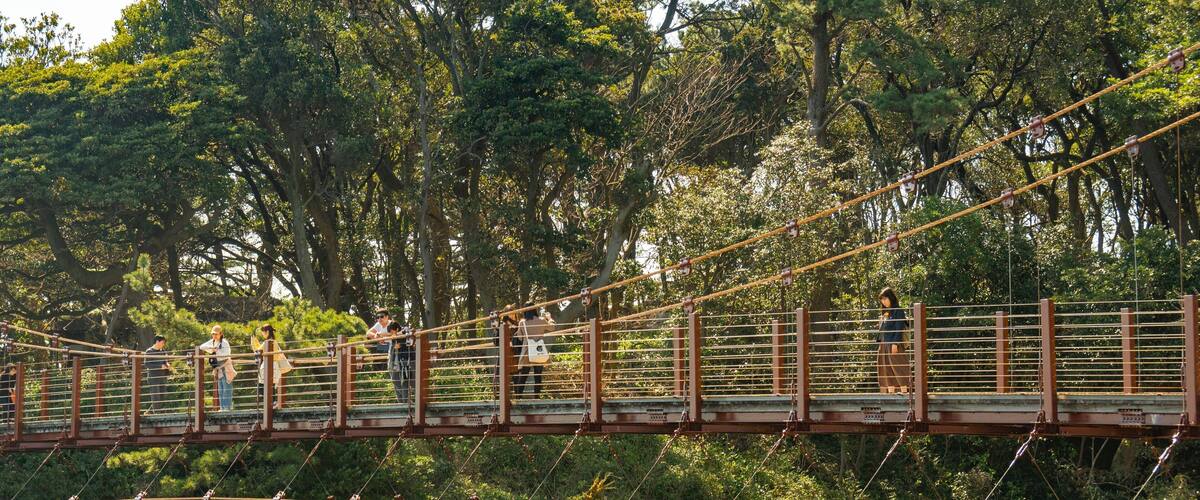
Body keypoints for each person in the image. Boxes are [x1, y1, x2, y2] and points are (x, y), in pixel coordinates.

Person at [877, 287, 911, 393]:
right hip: (884, 344)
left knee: (899, 366)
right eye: (882, 300)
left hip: (894, 343)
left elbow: (899, 328)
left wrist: (895, 343)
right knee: (885, 368)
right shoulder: (885, 312)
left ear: (891, 298)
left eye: (885, 298)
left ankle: (905, 392)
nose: (884, 302)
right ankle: (890, 393)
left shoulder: (898, 311)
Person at [252, 324, 292, 408]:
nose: (262, 334)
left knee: (262, 386)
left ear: (266, 332)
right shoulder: (273, 341)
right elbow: (261, 349)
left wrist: (253, 342)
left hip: (269, 365)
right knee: (271, 385)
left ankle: (270, 403)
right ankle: (272, 403)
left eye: (263, 332)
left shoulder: (268, 342)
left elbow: (258, 350)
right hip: (274, 366)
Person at [515, 305, 552, 397]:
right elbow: (552, 328)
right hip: (538, 351)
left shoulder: (522, 322)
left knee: (523, 376)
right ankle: (537, 397)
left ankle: (519, 397)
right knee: (538, 376)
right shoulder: (542, 320)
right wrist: (549, 319)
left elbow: (519, 337)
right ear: (535, 309)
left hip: (527, 351)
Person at [199, 325, 236, 411]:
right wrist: (212, 348)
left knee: (227, 388)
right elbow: (202, 346)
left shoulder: (224, 342)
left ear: (221, 334)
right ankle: (222, 408)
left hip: (225, 366)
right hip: (218, 367)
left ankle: (227, 408)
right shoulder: (212, 342)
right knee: (221, 389)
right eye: (213, 334)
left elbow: (227, 354)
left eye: (216, 334)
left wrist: (217, 351)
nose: (214, 336)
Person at [387, 322, 415, 404]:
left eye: (392, 331)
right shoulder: (394, 337)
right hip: (396, 363)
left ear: (397, 329)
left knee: (404, 382)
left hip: (405, 362)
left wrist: (399, 336)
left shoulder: (405, 332)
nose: (391, 334)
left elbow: (409, 332)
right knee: (396, 382)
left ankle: (405, 403)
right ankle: (402, 402)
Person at [144, 335, 174, 412]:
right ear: (157, 342)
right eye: (162, 342)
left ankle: (150, 412)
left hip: (162, 377)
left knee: (162, 396)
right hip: (153, 378)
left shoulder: (163, 351)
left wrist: (168, 365)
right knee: (155, 396)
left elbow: (165, 361)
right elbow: (147, 364)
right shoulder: (149, 351)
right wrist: (160, 366)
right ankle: (156, 413)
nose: (163, 344)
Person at [365, 308, 392, 373]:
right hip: (384, 347)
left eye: (382, 316)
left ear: (387, 316)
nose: (379, 319)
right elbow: (368, 333)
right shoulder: (378, 324)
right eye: (378, 317)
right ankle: (377, 373)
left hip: (393, 347)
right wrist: (376, 337)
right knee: (374, 351)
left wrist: (381, 336)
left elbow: (394, 334)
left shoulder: (392, 324)